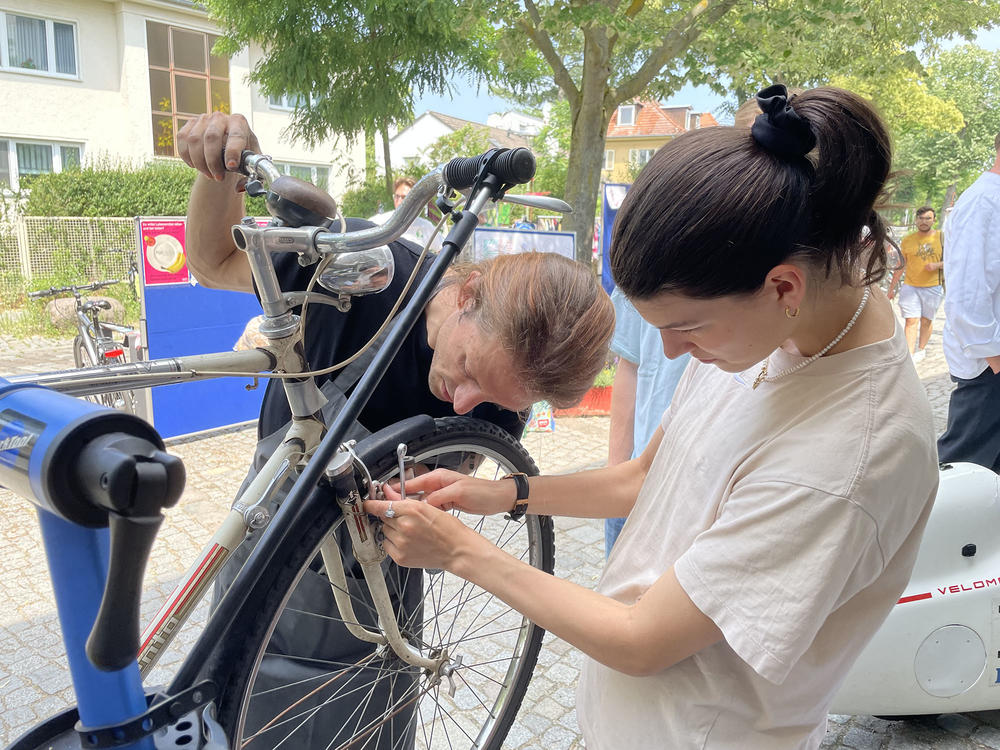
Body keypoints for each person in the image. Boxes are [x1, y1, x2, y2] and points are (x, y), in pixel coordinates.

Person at [369, 85, 939, 749]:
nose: (671, 351)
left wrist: (460, 551)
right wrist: (503, 493)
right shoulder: (775, 326)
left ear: (784, 286)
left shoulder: (849, 456)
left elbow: (643, 641)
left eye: (687, 327)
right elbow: (647, 476)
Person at [176, 111, 615, 745]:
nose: (466, 405)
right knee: (235, 715)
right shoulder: (358, 270)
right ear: (465, 295)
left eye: (495, 399)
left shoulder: (500, 396)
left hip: (383, 589)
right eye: (468, 369)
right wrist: (219, 167)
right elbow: (214, 259)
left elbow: (456, 468)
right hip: (268, 547)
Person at [605, 287, 689, 555]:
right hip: (640, 473)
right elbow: (630, 364)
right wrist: (616, 471)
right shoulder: (639, 264)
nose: (671, 347)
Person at [937, 133, 1000, 473]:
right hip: (988, 366)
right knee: (965, 469)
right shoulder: (983, 202)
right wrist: (994, 358)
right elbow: (967, 293)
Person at [886, 206, 944, 361]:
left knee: (926, 321)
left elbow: (954, 260)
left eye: (928, 218)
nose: (924, 222)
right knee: (911, 320)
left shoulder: (942, 238)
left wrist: (936, 265)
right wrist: (891, 289)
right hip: (910, 286)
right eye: (921, 218)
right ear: (916, 220)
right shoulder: (908, 240)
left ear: (934, 220)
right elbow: (901, 265)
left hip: (933, 286)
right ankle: (909, 355)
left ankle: (921, 349)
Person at [369, 175, 443, 251]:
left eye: (405, 197)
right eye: (397, 196)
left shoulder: (425, 227)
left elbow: (443, 247)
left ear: (416, 200)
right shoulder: (379, 222)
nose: (400, 201)